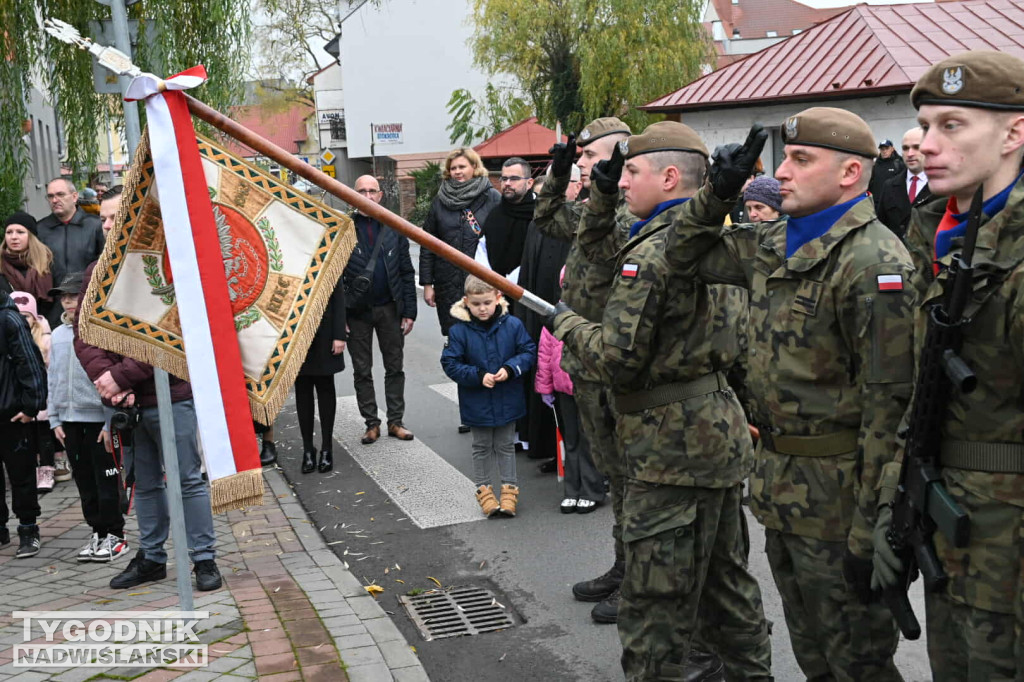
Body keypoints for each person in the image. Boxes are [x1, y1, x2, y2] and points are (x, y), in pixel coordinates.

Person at [686, 109, 913, 681]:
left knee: (859, 663)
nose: (782, 172)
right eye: (785, 158)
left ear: (849, 173)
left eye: (800, 160)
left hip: (841, 506)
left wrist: (873, 527)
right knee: (814, 656)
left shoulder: (873, 261)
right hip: (782, 490)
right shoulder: (773, 243)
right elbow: (680, 253)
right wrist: (717, 194)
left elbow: (891, 410)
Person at [550, 121, 771, 681]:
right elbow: (593, 244)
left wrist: (566, 322)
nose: (620, 182)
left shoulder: (655, 252)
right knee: (728, 590)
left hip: (667, 447)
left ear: (669, 176)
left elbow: (617, 358)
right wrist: (598, 194)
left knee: (653, 613)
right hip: (716, 429)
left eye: (629, 172)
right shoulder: (712, 241)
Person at [871, 50, 1024, 681]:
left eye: (952, 126)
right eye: (926, 127)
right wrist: (893, 503)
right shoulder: (944, 234)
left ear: (1015, 133)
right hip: (950, 523)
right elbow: (917, 389)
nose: (927, 145)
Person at [536, 117, 634, 625]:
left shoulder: (627, 211)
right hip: (585, 360)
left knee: (630, 479)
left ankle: (638, 579)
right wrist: (556, 168)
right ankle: (623, 566)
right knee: (613, 474)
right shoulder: (591, 206)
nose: (581, 163)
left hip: (614, 359)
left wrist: (604, 188)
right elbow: (546, 215)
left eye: (588, 157)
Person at [74, 261, 222, 592]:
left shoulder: (167, 260)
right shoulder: (96, 269)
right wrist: (106, 379)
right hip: (126, 401)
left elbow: (173, 330)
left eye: (115, 217)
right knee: (144, 483)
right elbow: (84, 331)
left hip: (172, 394)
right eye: (103, 219)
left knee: (188, 480)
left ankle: (204, 558)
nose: (109, 226)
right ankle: (152, 558)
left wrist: (119, 376)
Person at [47, 272, 128, 562]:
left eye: (73, 295)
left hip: (98, 421)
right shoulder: (57, 335)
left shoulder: (100, 332)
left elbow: (112, 378)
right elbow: (52, 378)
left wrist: (110, 421)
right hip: (69, 422)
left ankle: (116, 535)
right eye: (64, 297)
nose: (68, 301)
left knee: (106, 478)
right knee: (84, 482)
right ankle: (97, 532)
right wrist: (54, 418)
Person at [441, 275, 535, 518]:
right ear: (466, 302)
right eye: (476, 304)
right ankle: (484, 491)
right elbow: (450, 363)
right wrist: (478, 375)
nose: (482, 309)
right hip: (477, 400)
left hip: (507, 395)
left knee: (505, 445)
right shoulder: (459, 331)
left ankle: (509, 491)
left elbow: (527, 351)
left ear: (498, 299)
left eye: (486, 303)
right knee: (481, 446)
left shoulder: (513, 325)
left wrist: (510, 369)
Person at [344, 175, 416, 445]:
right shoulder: (343, 228)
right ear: (352, 194)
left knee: (394, 367)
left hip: (390, 308)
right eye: (361, 190)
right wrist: (341, 317)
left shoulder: (394, 227)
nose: (367, 196)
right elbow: (333, 276)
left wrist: (409, 311)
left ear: (381, 195)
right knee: (362, 370)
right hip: (357, 313)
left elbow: (407, 272)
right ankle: (371, 423)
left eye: (372, 191)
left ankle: (395, 422)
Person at [536, 267, 601, 513]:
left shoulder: (594, 314)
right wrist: (545, 387)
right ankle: (572, 490)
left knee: (589, 440)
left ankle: (592, 490)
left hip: (589, 387)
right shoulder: (554, 315)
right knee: (570, 440)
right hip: (563, 390)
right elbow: (544, 353)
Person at [419, 147, 501, 336]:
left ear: (474, 167)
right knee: (456, 337)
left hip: (483, 283)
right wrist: (427, 284)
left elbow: (504, 241)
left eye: (462, 166)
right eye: (453, 168)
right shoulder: (440, 201)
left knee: (486, 336)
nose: (457, 172)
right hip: (448, 283)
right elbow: (427, 243)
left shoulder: (492, 198)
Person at [0, 287, 47, 557]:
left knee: (22, 474)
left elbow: (29, 362)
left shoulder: (9, 319)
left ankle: (28, 529)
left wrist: (31, 405)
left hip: (13, 412)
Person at [9, 292, 61, 492]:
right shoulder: (11, 338)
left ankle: (47, 470)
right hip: (22, 398)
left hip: (43, 395)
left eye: (27, 316)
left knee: (44, 437)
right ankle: (31, 471)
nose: (23, 321)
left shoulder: (45, 340)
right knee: (28, 438)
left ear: (35, 318)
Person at [295, 277, 346, 474]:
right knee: (303, 391)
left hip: (325, 330)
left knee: (325, 389)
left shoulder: (325, 250)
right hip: (297, 332)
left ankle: (327, 448)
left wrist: (339, 334)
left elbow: (338, 297)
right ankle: (308, 449)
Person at [36, 178, 105, 298]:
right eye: (50, 196)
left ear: (74, 197)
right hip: (53, 302)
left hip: (89, 299)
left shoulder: (95, 225)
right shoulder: (40, 229)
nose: (55, 200)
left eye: (60, 194)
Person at [482, 157, 536, 281]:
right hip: (495, 290)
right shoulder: (494, 215)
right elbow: (482, 252)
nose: (507, 183)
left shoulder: (540, 215)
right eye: (504, 178)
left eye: (514, 179)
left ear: (529, 183)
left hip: (530, 290)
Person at [1, 212, 56, 324]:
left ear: (31, 236)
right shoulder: (1, 265)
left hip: (42, 328)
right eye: (9, 232)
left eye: (20, 232)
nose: (14, 237)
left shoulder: (46, 263)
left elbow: (55, 302)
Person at [876, 127, 930, 239]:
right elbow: (881, 225)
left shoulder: (943, 187)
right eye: (905, 148)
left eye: (916, 147)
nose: (910, 154)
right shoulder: (889, 186)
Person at [869, 138, 906, 204]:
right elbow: (870, 183)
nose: (884, 151)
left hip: (894, 203)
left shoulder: (899, 164)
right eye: (882, 149)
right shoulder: (875, 165)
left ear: (892, 149)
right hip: (877, 202)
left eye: (887, 148)